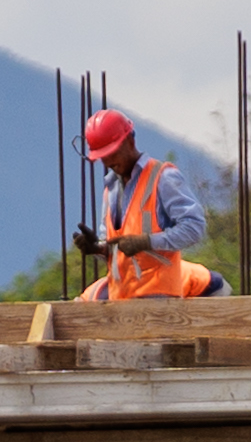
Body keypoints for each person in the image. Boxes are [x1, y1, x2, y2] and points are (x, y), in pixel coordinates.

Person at [72, 109, 225, 299]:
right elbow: (116, 253)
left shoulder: (162, 178)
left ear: (130, 141)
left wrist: (146, 242)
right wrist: (97, 248)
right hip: (122, 302)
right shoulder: (111, 190)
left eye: (112, 152)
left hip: (159, 300)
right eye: (102, 156)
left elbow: (194, 228)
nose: (108, 161)